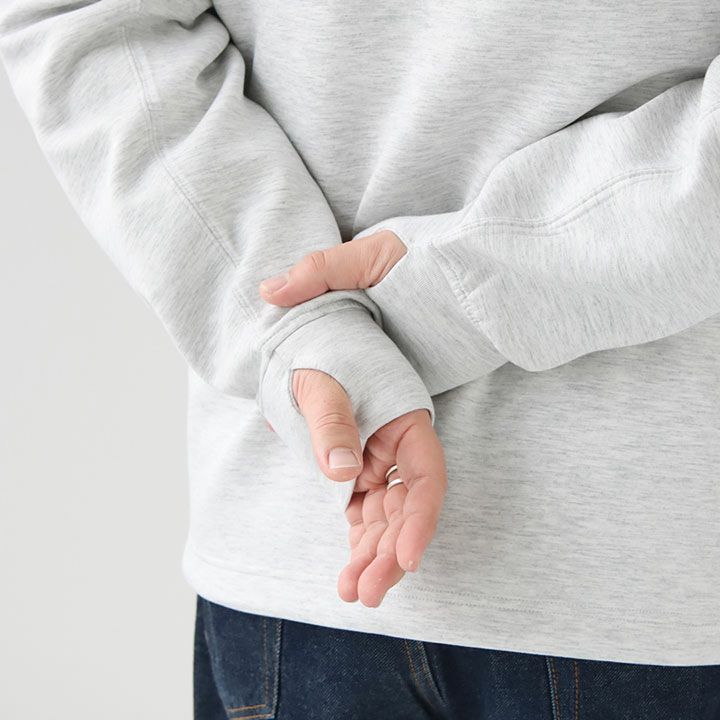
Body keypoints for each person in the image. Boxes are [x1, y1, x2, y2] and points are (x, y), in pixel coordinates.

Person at [2, 1, 719, 717]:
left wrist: (321, 326)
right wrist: (320, 326)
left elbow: (87, 22)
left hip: (314, 547)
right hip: (615, 562)